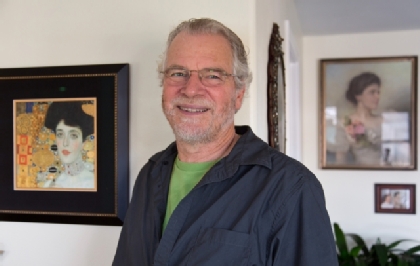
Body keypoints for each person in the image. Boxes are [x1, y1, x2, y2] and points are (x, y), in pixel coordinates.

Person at [113, 18, 337, 265]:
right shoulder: (150, 175)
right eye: (178, 73)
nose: (190, 89)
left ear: (238, 95)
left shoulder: (290, 188)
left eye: (212, 76)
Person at [41, 101, 95, 188]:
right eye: (60, 135)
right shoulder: (49, 185)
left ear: (83, 143)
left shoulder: (93, 183)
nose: (65, 143)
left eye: (73, 135)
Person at [334, 72, 383, 165]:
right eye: (372, 92)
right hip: (359, 175)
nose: (377, 97)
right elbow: (341, 161)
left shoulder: (384, 121)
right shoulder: (344, 123)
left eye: (378, 92)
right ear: (358, 96)